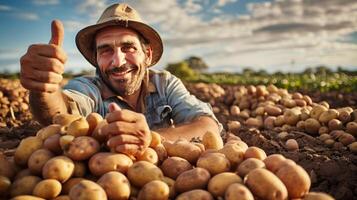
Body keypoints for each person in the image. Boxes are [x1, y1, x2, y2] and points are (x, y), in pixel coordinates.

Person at [20, 3, 222, 157]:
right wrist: (44, 90)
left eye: (128, 48)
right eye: (105, 50)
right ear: (96, 59)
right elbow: (59, 114)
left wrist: (150, 139)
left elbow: (207, 125)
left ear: (148, 55)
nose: (118, 61)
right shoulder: (88, 88)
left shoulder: (165, 83)